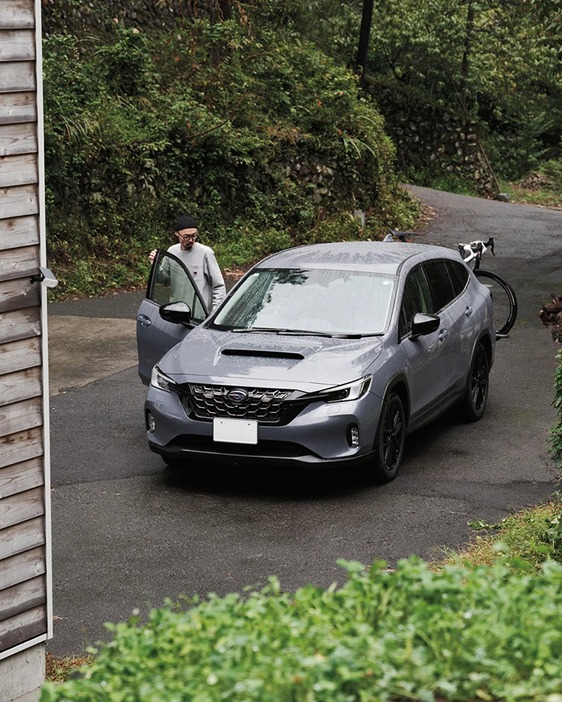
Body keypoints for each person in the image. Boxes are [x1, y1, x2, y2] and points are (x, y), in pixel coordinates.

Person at [149, 213, 226, 313]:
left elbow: (219, 286)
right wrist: (155, 266)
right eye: (186, 237)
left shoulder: (205, 253)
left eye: (194, 236)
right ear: (177, 234)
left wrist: (215, 313)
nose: (191, 240)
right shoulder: (172, 251)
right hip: (177, 313)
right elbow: (166, 281)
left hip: (200, 317)